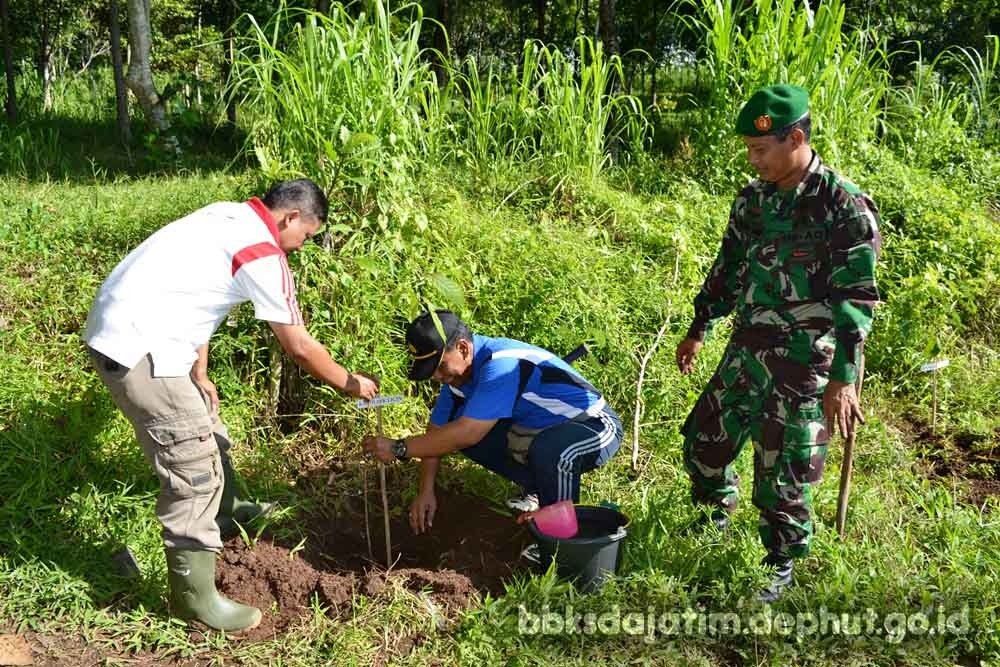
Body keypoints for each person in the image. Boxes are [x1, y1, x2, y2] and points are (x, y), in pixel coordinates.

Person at [83, 179, 378, 632]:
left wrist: (199, 372)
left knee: (206, 422)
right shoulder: (264, 253)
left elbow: (199, 298)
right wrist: (349, 382)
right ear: (291, 217)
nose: (302, 246)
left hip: (126, 327)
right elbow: (299, 346)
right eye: (306, 235)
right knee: (193, 468)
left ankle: (229, 509)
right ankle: (195, 602)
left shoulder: (228, 215)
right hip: (140, 347)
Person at [675, 84, 881, 602]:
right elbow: (727, 267)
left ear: (796, 139)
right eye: (749, 149)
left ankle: (780, 560)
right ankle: (714, 517)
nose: (753, 159)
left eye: (761, 149)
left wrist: (844, 379)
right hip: (749, 343)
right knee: (704, 440)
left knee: (783, 465)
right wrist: (700, 326)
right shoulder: (753, 199)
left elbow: (856, 298)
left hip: (805, 357)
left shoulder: (842, 204)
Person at [362, 310, 622, 562]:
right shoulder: (458, 380)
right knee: (457, 433)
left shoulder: (501, 365)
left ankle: (561, 546)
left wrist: (399, 448)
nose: (438, 377)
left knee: (550, 450)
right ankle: (540, 491)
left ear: (463, 348)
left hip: (594, 426)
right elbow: (438, 432)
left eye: (440, 366)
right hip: (541, 431)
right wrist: (425, 490)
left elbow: (468, 432)